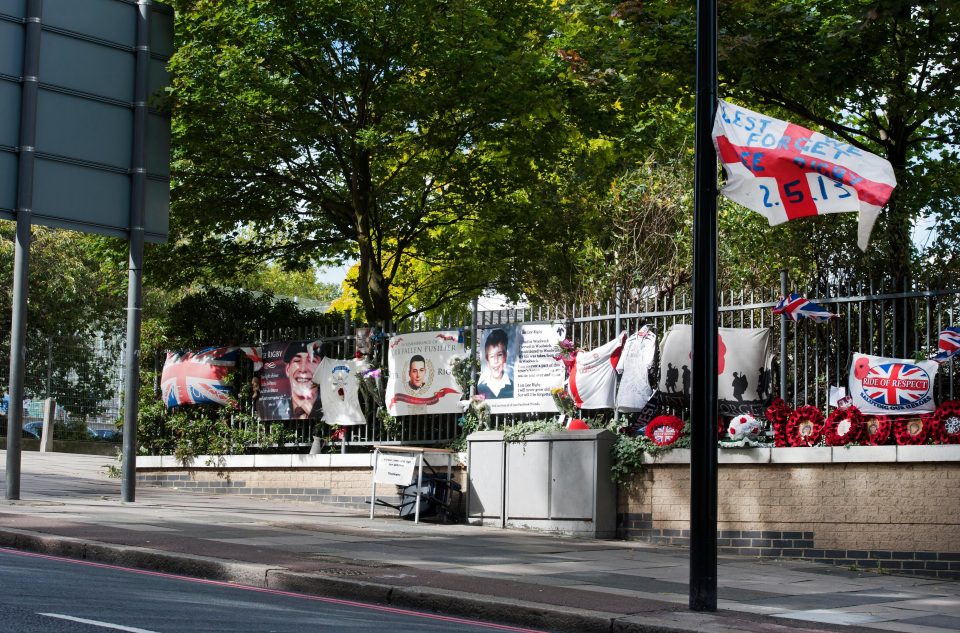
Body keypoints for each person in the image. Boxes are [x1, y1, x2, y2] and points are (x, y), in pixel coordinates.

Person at [283, 341, 323, 418]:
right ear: (288, 369)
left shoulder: (328, 409)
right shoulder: (277, 411)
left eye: (311, 361)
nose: (303, 369)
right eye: (297, 361)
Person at [477, 329, 513, 399]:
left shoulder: (513, 386)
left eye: (499, 355)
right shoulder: (480, 387)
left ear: (505, 356)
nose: (495, 361)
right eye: (492, 356)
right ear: (487, 359)